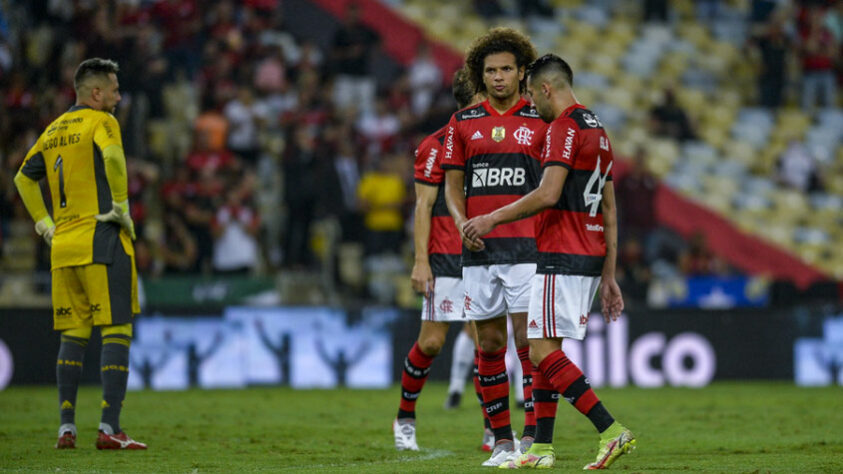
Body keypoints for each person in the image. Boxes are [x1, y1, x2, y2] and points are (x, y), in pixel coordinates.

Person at [463, 53, 635, 470]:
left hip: (563, 250)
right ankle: (541, 447)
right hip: (589, 254)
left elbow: (547, 194)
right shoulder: (597, 128)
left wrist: (491, 217)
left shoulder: (563, 127)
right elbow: (610, 208)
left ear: (544, 89)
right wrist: (609, 274)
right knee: (546, 349)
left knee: (539, 351)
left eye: (532, 96)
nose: (532, 107)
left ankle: (611, 431)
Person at [13, 58, 146, 450]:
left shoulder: (52, 130)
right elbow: (114, 158)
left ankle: (66, 427)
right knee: (117, 328)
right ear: (96, 93)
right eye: (115, 89)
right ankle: (110, 428)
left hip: (63, 248)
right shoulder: (101, 122)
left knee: (73, 335)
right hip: (101, 238)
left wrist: (43, 223)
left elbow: (22, 178)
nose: (119, 97)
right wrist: (121, 205)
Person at [441, 27, 546, 466]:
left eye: (506, 69)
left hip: (525, 248)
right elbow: (452, 186)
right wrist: (463, 223)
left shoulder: (540, 121)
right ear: (479, 76)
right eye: (490, 71)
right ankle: (500, 441)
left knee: (528, 344)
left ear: (522, 72)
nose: (498, 77)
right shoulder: (462, 124)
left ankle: (531, 436)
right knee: (487, 344)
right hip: (479, 252)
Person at [393, 68, 488, 451]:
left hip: (484, 255)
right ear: (475, 97)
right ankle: (404, 418)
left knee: (488, 344)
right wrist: (420, 261)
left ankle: (494, 432)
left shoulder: (495, 141)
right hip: (446, 256)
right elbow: (423, 206)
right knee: (432, 342)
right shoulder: (435, 145)